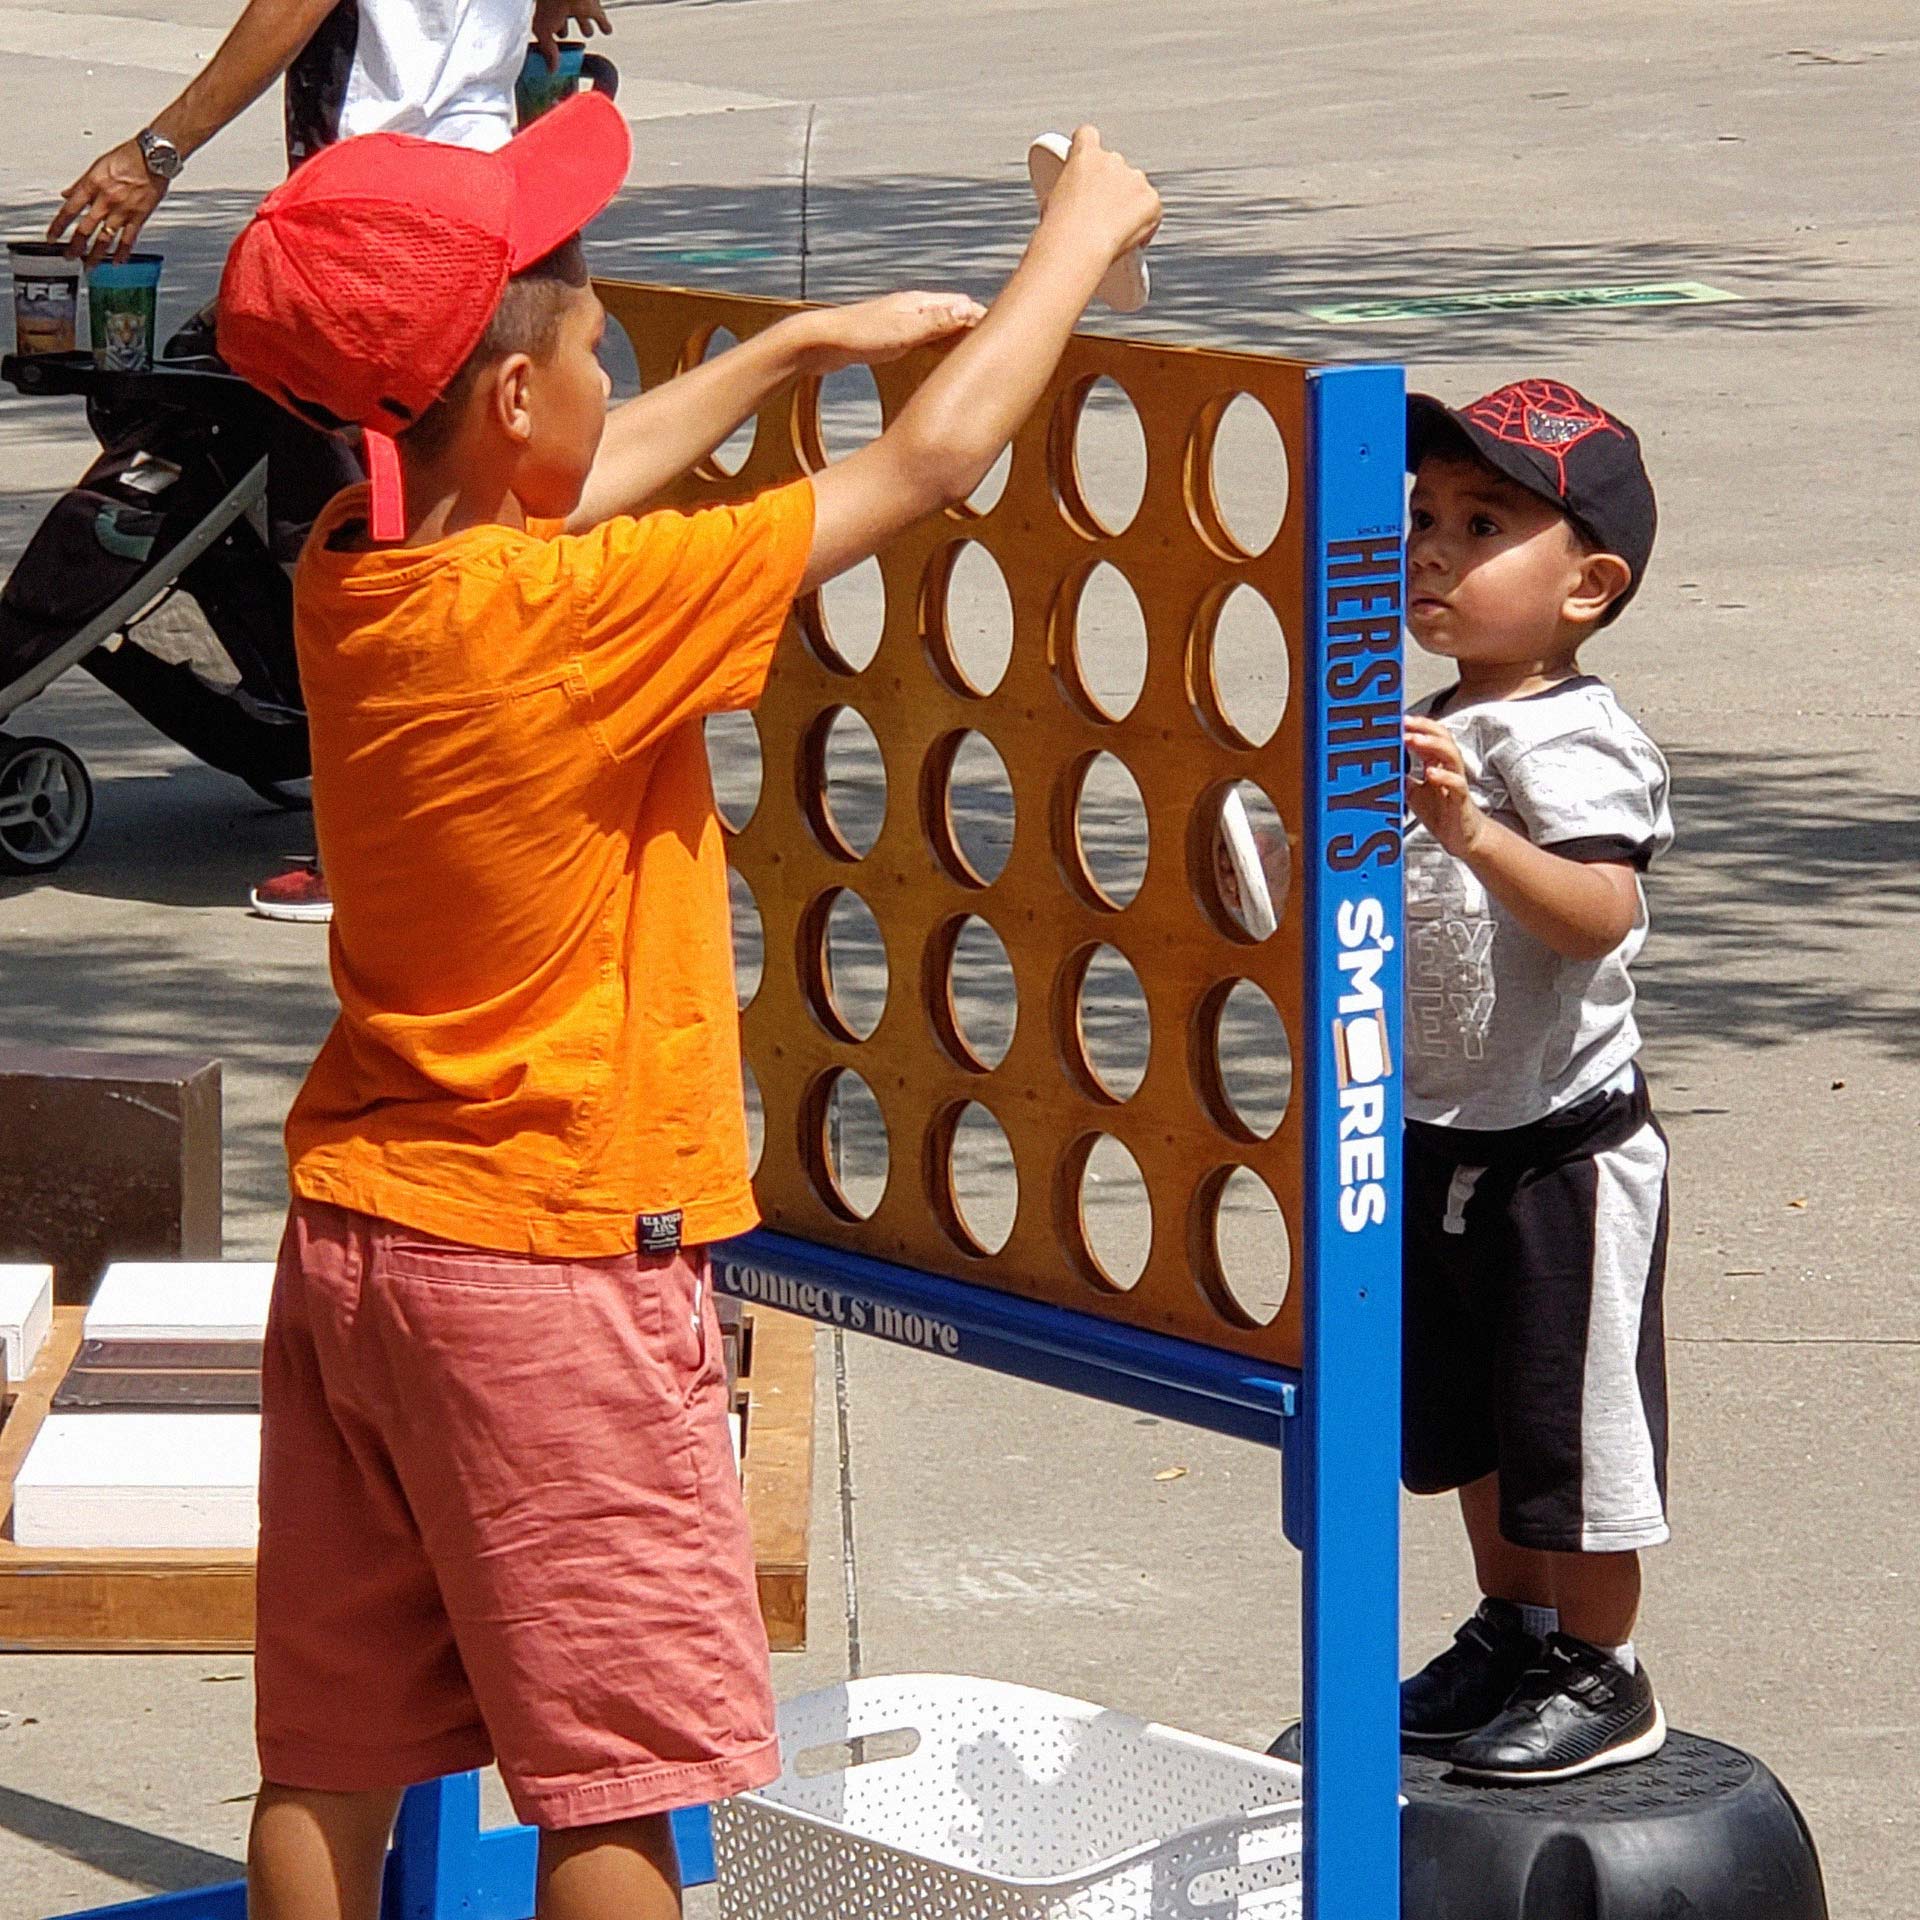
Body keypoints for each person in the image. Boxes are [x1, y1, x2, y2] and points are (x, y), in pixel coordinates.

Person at [214, 94, 1159, 1919]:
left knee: (327, 1759)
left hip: (362, 1245)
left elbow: (585, 467)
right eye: (592, 344)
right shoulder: (572, 618)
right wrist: (1080, 242)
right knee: (618, 1792)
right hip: (553, 1273)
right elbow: (934, 464)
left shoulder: (362, 566)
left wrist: (792, 345)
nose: (609, 373)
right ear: (508, 402)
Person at [48, 0, 610, 924]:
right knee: (478, 511)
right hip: (496, 191)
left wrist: (156, 151)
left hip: (385, 214)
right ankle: (494, 793)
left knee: (372, 538)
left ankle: (381, 846)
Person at [1394, 379, 1675, 1782]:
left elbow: (1600, 914)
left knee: (1573, 1432)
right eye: (1423, 517)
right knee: (1475, 1418)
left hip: (1563, 1150)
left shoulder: (1573, 738)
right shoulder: (1426, 721)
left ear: (1587, 586)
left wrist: (1475, 830)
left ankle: (1602, 1667)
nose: (1432, 550)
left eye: (1484, 523)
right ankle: (1513, 1629)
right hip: (1441, 1133)